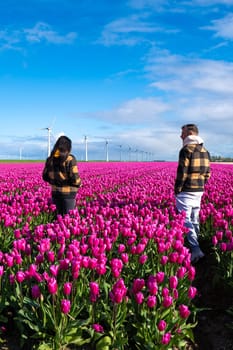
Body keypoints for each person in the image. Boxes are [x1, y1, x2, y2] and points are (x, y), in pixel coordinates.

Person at [174, 124, 211, 263]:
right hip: (199, 190)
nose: (181, 136)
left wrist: (178, 189)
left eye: (182, 133)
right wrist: (201, 185)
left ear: (189, 134)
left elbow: (182, 172)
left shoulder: (186, 150)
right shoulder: (205, 150)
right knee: (195, 219)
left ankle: (195, 250)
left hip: (186, 190)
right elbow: (208, 173)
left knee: (185, 220)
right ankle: (198, 244)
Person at [42, 135, 82, 216]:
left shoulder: (50, 159)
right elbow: (75, 178)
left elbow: (45, 176)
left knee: (58, 219)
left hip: (55, 194)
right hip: (68, 195)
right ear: (68, 147)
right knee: (68, 220)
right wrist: (79, 183)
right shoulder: (70, 159)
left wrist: (54, 182)